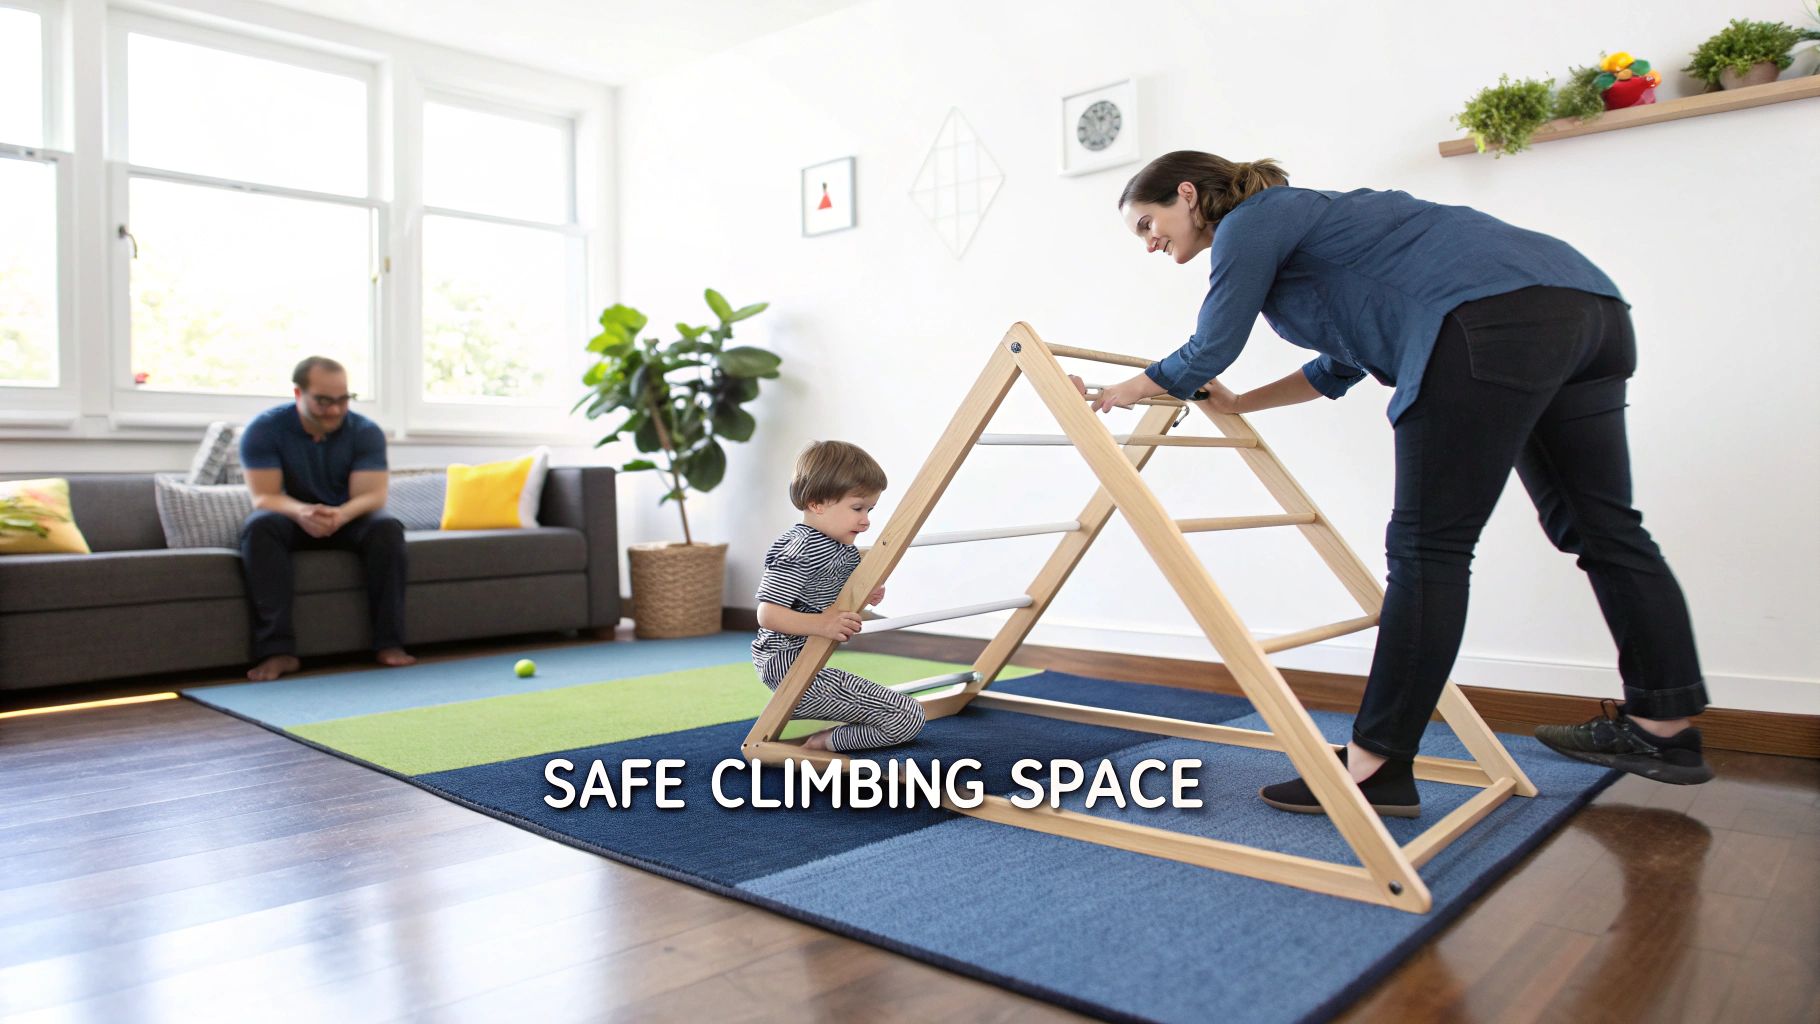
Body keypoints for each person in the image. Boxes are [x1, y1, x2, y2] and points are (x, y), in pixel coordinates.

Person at [1082, 151, 1711, 817]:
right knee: (1604, 529)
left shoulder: (1253, 221)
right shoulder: (1329, 231)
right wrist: (1242, 406)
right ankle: (1662, 729)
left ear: (1187, 194)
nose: (1150, 244)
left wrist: (1117, 391)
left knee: (1428, 549)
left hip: (1489, 320)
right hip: (1589, 311)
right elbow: (1340, 364)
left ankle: (1375, 765)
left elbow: (1210, 346)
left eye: (1149, 224)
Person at [238, 356, 415, 681]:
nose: (334, 410)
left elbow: (373, 495)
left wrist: (340, 514)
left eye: (342, 400)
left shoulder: (365, 432)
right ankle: (278, 651)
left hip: (347, 517)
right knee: (259, 527)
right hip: (291, 516)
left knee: (386, 528)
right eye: (323, 401)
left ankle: (389, 643)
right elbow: (264, 496)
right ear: (298, 394)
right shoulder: (263, 430)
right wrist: (302, 511)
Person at [752, 440, 924, 752]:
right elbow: (768, 614)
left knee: (906, 713)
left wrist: (866, 592)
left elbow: (831, 592)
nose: (866, 520)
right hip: (786, 664)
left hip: (813, 658)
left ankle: (831, 734)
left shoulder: (840, 548)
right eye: (857, 508)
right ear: (817, 503)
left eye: (870, 509)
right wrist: (822, 624)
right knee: (907, 717)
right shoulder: (799, 548)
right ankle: (825, 744)